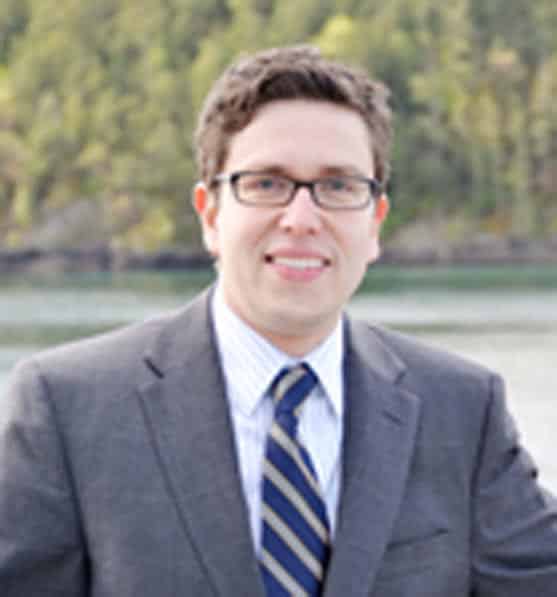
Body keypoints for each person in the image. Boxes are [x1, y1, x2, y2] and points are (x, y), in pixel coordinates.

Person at [1, 45, 556, 597]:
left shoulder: (462, 409)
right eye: (267, 183)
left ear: (375, 224)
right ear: (211, 214)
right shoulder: (68, 408)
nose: (301, 219)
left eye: (339, 186)